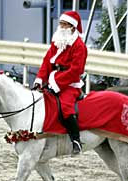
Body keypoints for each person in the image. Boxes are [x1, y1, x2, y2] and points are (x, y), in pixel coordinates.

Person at [33, 11, 87, 154]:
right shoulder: (57, 41)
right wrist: (40, 79)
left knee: (65, 107)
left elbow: (76, 70)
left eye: (65, 24)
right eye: (60, 24)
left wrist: (55, 84)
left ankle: (76, 140)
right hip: (53, 78)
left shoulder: (79, 46)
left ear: (72, 27)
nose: (61, 27)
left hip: (69, 83)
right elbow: (47, 61)